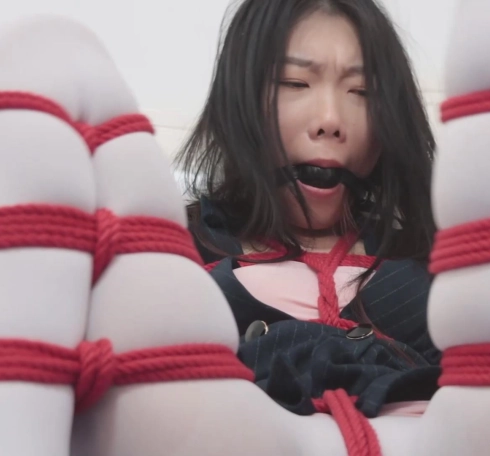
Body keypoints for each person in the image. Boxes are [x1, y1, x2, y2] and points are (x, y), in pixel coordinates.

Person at [175, 0, 442, 419]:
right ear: (238, 100)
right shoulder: (170, 259)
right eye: (295, 82)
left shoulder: (441, 267)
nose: (331, 120)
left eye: (362, 91)